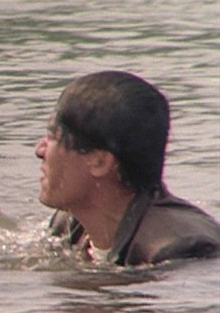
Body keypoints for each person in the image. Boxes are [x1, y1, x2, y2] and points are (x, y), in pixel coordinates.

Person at [34, 70, 220, 265]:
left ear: (99, 161)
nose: (39, 150)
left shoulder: (180, 251)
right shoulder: (71, 222)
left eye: (53, 137)